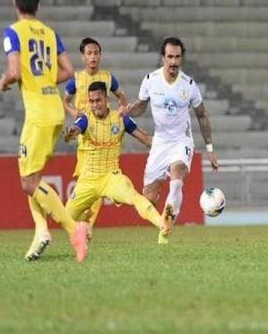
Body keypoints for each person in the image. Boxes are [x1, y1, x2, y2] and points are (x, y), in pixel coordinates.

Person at [0, 0, 88, 262]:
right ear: (38, 4)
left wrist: (5, 81)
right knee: (31, 173)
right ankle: (41, 231)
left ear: (15, 3)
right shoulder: (50, 34)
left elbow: (14, 72)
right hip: (54, 109)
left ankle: (75, 230)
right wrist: (46, 80)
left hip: (37, 114)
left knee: (28, 182)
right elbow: (70, 71)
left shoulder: (13, 32)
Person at [123, 37, 219, 222]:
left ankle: (166, 227)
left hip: (181, 140)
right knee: (149, 198)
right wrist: (127, 111)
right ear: (163, 58)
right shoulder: (151, 80)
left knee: (177, 177)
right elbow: (141, 107)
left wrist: (210, 150)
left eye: (177, 57)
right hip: (160, 142)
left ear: (182, 58)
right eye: (170, 57)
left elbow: (202, 115)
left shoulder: (189, 85)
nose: (173, 61)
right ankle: (161, 218)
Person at [64, 81, 172, 244]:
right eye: (91, 101)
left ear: (107, 99)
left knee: (134, 197)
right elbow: (75, 129)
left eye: (98, 100)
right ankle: (85, 224)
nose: (95, 105)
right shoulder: (85, 119)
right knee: (65, 218)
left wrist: (168, 146)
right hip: (88, 179)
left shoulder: (121, 119)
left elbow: (147, 140)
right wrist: (71, 133)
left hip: (111, 177)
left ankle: (162, 225)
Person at [63, 36, 128, 228]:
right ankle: (89, 217)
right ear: (83, 57)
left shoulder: (108, 78)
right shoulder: (76, 79)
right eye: (89, 53)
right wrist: (74, 112)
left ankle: (87, 225)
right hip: (85, 135)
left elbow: (121, 96)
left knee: (94, 178)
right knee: (88, 179)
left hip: (104, 133)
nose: (93, 57)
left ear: (100, 55)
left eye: (96, 53)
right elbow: (65, 100)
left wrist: (123, 108)